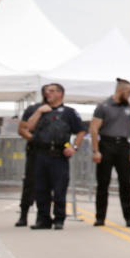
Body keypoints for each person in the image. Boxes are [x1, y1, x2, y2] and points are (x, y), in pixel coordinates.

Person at [26, 83, 85, 230]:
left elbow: (81, 131)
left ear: (60, 93)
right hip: (41, 153)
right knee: (41, 188)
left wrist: (74, 147)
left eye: (52, 91)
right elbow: (29, 127)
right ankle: (43, 219)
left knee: (59, 188)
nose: (48, 94)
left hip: (58, 155)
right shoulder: (40, 110)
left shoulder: (69, 112)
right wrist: (39, 111)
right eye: (47, 91)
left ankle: (59, 218)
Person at [90, 78, 130, 227]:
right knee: (103, 183)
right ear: (121, 90)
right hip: (106, 144)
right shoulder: (103, 106)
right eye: (129, 91)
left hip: (123, 145)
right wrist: (96, 150)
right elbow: (93, 129)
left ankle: (129, 217)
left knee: (125, 183)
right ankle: (100, 217)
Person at [15, 85, 48, 227]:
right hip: (35, 151)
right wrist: (34, 139)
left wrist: (67, 147)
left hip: (53, 153)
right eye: (49, 91)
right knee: (29, 183)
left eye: (55, 91)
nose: (52, 94)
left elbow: (68, 135)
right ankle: (23, 215)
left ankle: (44, 217)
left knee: (49, 185)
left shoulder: (62, 111)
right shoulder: (32, 109)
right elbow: (22, 129)